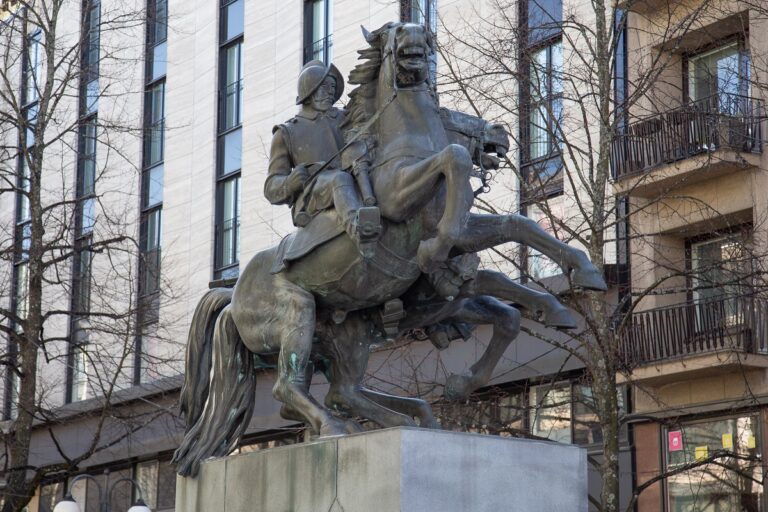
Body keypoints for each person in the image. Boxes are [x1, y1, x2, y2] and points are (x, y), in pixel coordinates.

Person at [265, 60, 380, 257]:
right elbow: (271, 188)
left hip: (357, 180)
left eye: (333, 88)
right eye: (324, 87)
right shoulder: (287, 132)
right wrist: (290, 183)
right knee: (339, 179)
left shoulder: (348, 118)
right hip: (313, 194)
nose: (330, 93)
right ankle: (359, 230)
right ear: (309, 90)